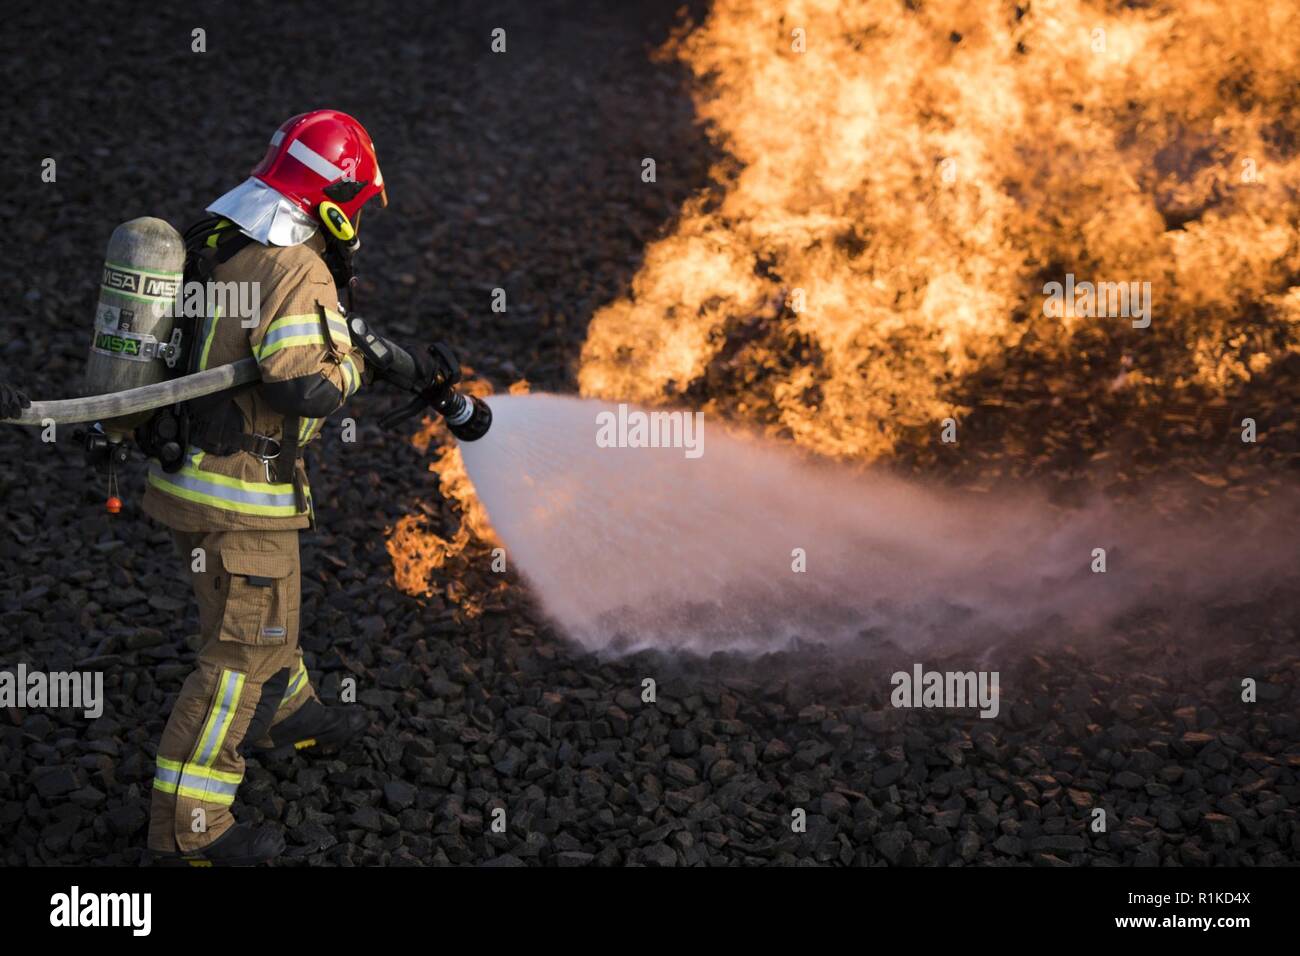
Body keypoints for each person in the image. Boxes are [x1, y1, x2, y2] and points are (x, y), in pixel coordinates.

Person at [144, 110, 404, 866]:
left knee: (259, 614)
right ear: (333, 201)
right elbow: (305, 386)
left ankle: (285, 713)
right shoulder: (296, 266)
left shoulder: (221, 236)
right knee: (234, 660)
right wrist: (355, 362)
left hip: (190, 475)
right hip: (241, 494)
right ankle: (188, 830)